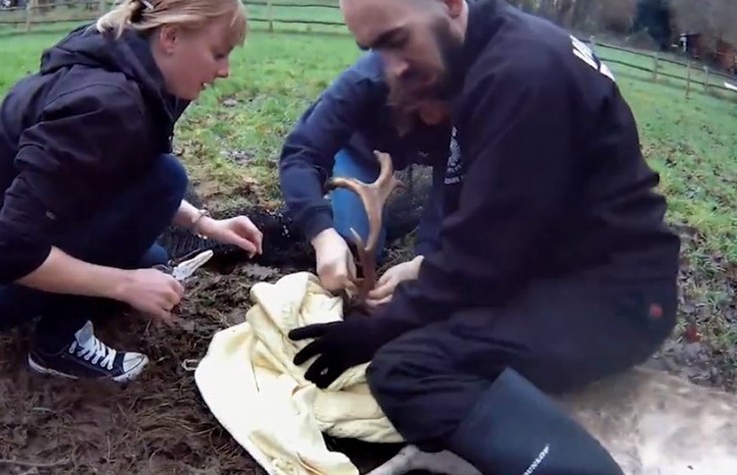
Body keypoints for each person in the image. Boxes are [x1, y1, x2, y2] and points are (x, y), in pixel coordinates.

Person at [287, 1, 681, 474]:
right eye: (374, 49)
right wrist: (423, 274)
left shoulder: (520, 76)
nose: (391, 68)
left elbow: (484, 260)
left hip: (613, 300)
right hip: (560, 269)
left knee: (406, 370)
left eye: (396, 41)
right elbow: (496, 226)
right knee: (423, 331)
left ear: (452, 4)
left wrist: (374, 332)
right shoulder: (491, 57)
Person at [0, 0, 263, 384]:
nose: (225, 71)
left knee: (153, 255)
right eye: (218, 53)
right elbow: (11, 250)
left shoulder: (137, 68)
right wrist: (125, 284)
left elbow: (129, 168)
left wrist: (204, 224)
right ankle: (56, 346)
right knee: (164, 186)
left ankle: (110, 282)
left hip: (3, 245)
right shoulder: (106, 103)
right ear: (170, 37)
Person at [278, 50, 454, 303]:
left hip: (441, 158)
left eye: (444, 104)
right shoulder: (363, 81)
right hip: (362, 152)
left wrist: (426, 260)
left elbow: (457, 179)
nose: (434, 116)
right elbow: (300, 154)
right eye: (424, 105)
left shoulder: (475, 87)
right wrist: (322, 234)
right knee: (354, 250)